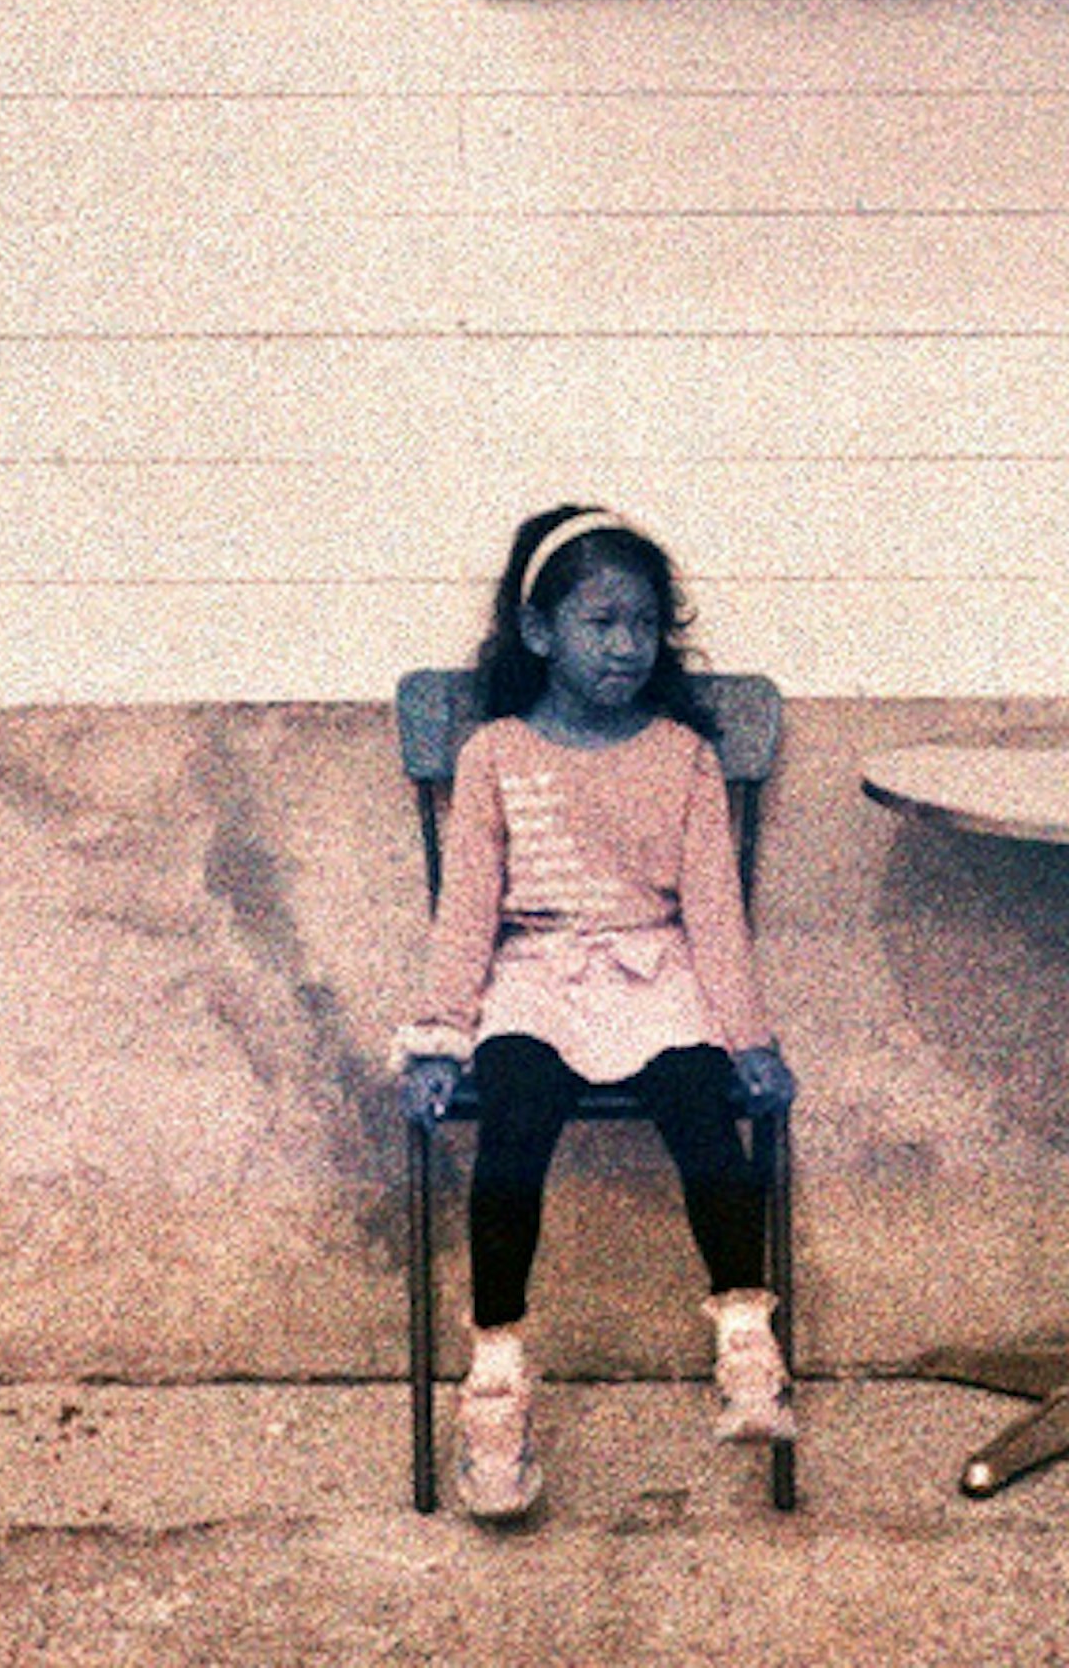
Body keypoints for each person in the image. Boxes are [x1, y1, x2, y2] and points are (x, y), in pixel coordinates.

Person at [396, 505, 801, 1520]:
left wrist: (747, 1038)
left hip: (656, 972)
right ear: (540, 634)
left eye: (645, 626)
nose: (628, 647)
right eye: (601, 623)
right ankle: (495, 1376)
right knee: (516, 1120)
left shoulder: (685, 758)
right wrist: (442, 1035)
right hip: (532, 972)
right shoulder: (494, 754)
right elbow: (469, 909)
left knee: (704, 1107)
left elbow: (713, 912)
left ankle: (747, 1340)